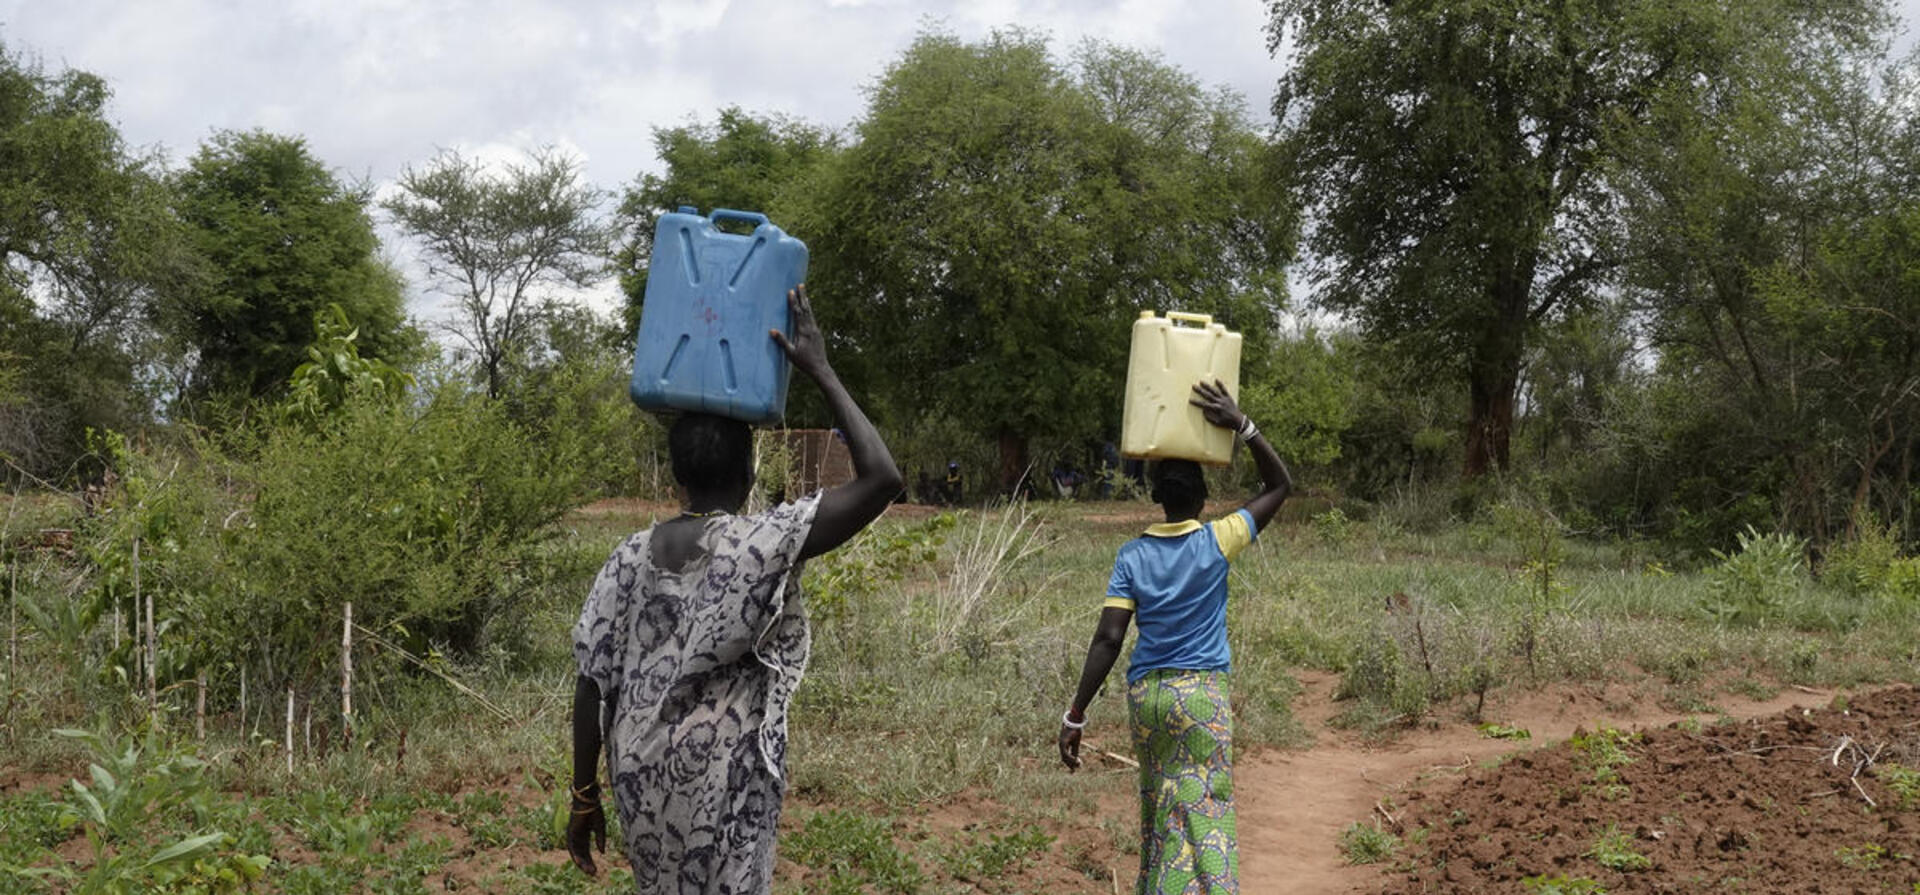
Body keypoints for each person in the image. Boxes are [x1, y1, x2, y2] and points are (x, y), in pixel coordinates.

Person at [566, 285, 902, 893]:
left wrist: (582, 793)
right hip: (725, 786)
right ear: (749, 472)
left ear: (676, 472)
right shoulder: (760, 542)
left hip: (639, 778)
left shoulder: (627, 557)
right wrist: (820, 368)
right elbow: (883, 479)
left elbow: (592, 680)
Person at [1058, 379, 1293, 894]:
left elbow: (1108, 640)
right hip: (1201, 698)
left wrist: (1075, 713)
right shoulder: (1218, 540)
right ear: (1206, 498)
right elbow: (1279, 486)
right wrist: (1243, 425)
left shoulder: (1132, 556)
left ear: (1155, 498)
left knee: (1163, 806)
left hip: (1148, 701)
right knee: (1204, 809)